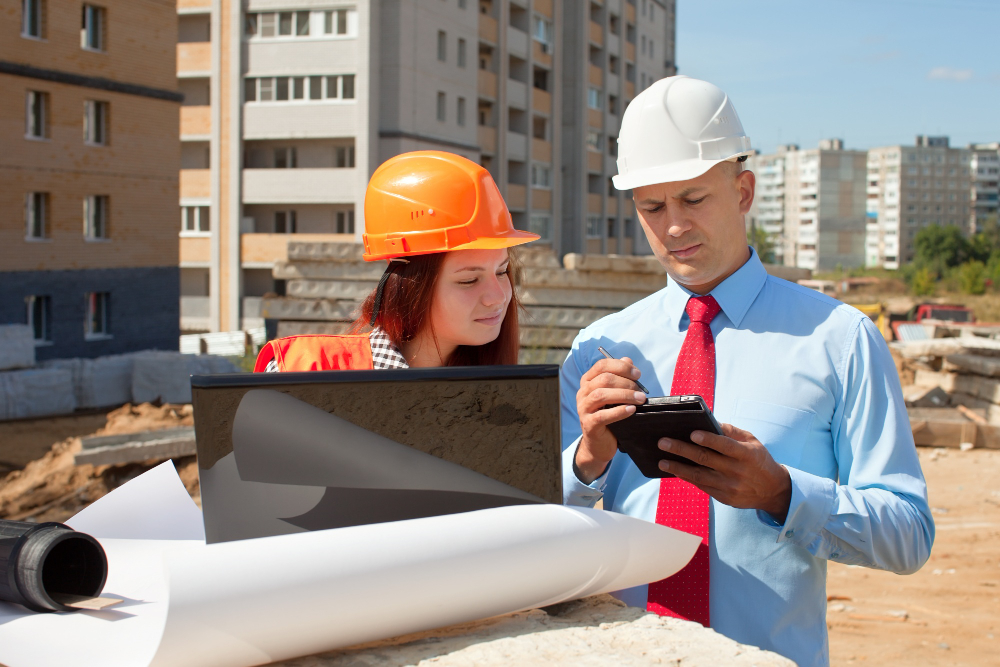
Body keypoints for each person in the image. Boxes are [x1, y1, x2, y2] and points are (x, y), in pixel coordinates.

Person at [560, 76, 934, 667]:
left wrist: (783, 494)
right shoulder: (598, 351)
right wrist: (587, 460)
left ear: (743, 191)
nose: (674, 226)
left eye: (693, 198)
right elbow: (542, 534)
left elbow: (909, 534)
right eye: (651, 206)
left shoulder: (839, 341)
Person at [254, 151, 538, 373]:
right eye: (469, 280)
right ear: (409, 286)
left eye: (502, 272)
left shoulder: (503, 401)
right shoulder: (303, 373)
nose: (498, 297)